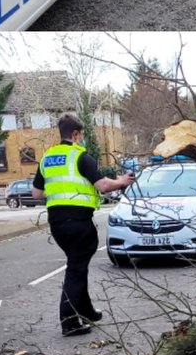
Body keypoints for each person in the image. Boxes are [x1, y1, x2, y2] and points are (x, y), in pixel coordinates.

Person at [33, 114, 135, 337]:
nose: (82, 140)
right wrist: (122, 182)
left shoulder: (47, 158)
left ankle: (87, 312)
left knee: (77, 267)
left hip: (57, 223)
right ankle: (69, 322)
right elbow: (103, 185)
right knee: (76, 270)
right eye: (81, 136)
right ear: (76, 134)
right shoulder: (80, 157)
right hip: (79, 222)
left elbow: (37, 193)